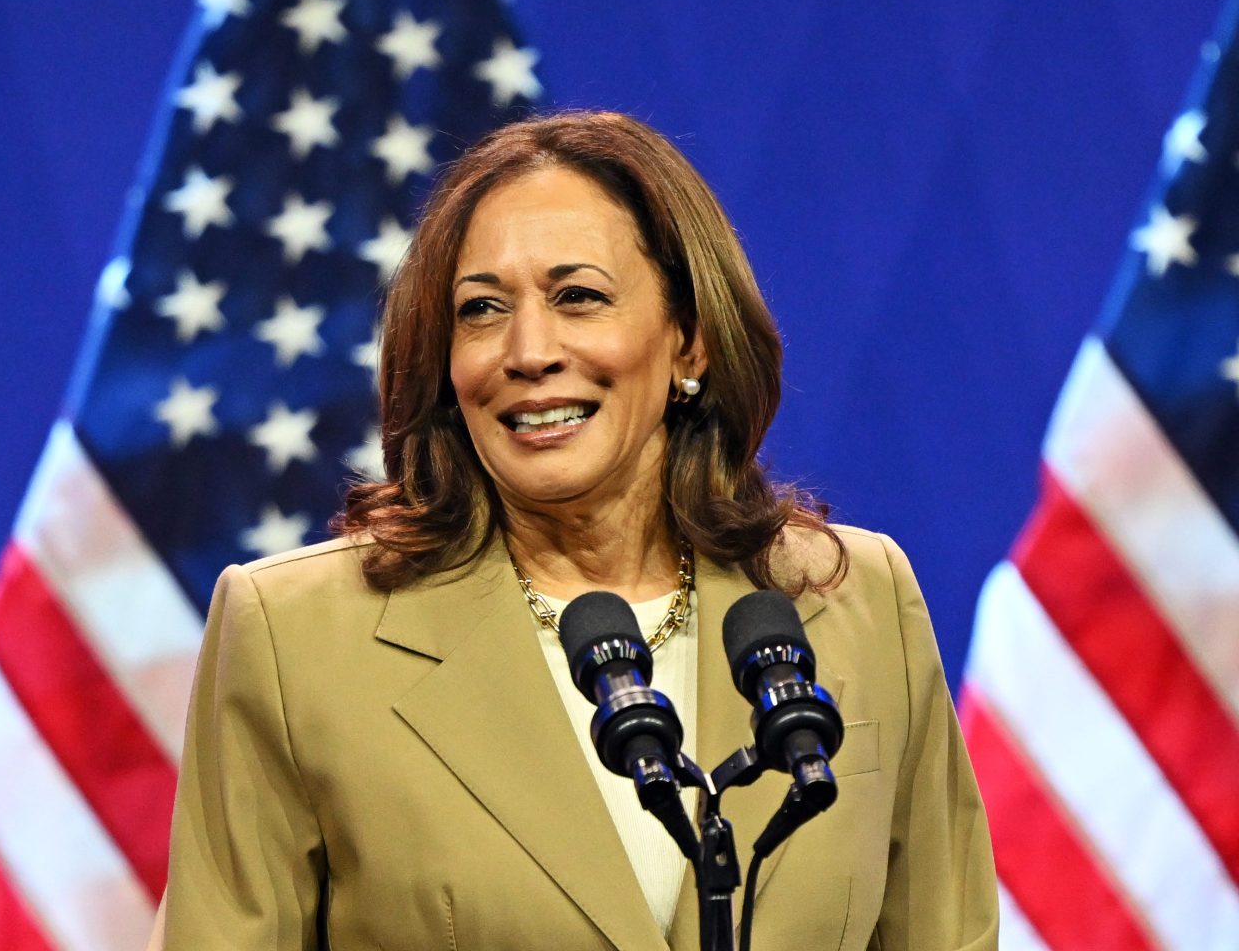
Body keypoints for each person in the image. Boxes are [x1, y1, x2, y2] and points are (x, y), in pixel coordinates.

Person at [156, 110, 999, 950]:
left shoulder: (854, 600)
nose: (528, 350)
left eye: (579, 297)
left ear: (689, 341)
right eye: (481, 309)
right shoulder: (295, 636)